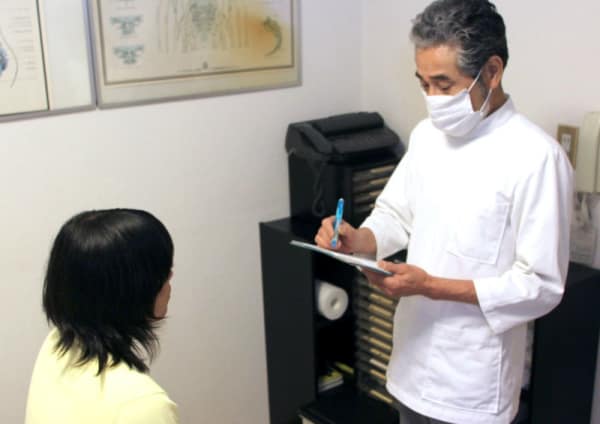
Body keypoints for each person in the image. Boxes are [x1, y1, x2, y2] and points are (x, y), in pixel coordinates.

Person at [315, 1, 573, 423]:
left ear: (492, 71)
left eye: (444, 84)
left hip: (473, 386)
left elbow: (541, 285)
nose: (432, 99)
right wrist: (356, 239)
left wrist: (432, 286)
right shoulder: (427, 137)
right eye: (424, 84)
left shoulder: (536, 159)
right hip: (411, 364)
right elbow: (395, 214)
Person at [25, 209, 179, 424]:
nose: (170, 276)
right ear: (132, 292)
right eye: (163, 273)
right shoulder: (143, 405)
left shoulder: (55, 345)